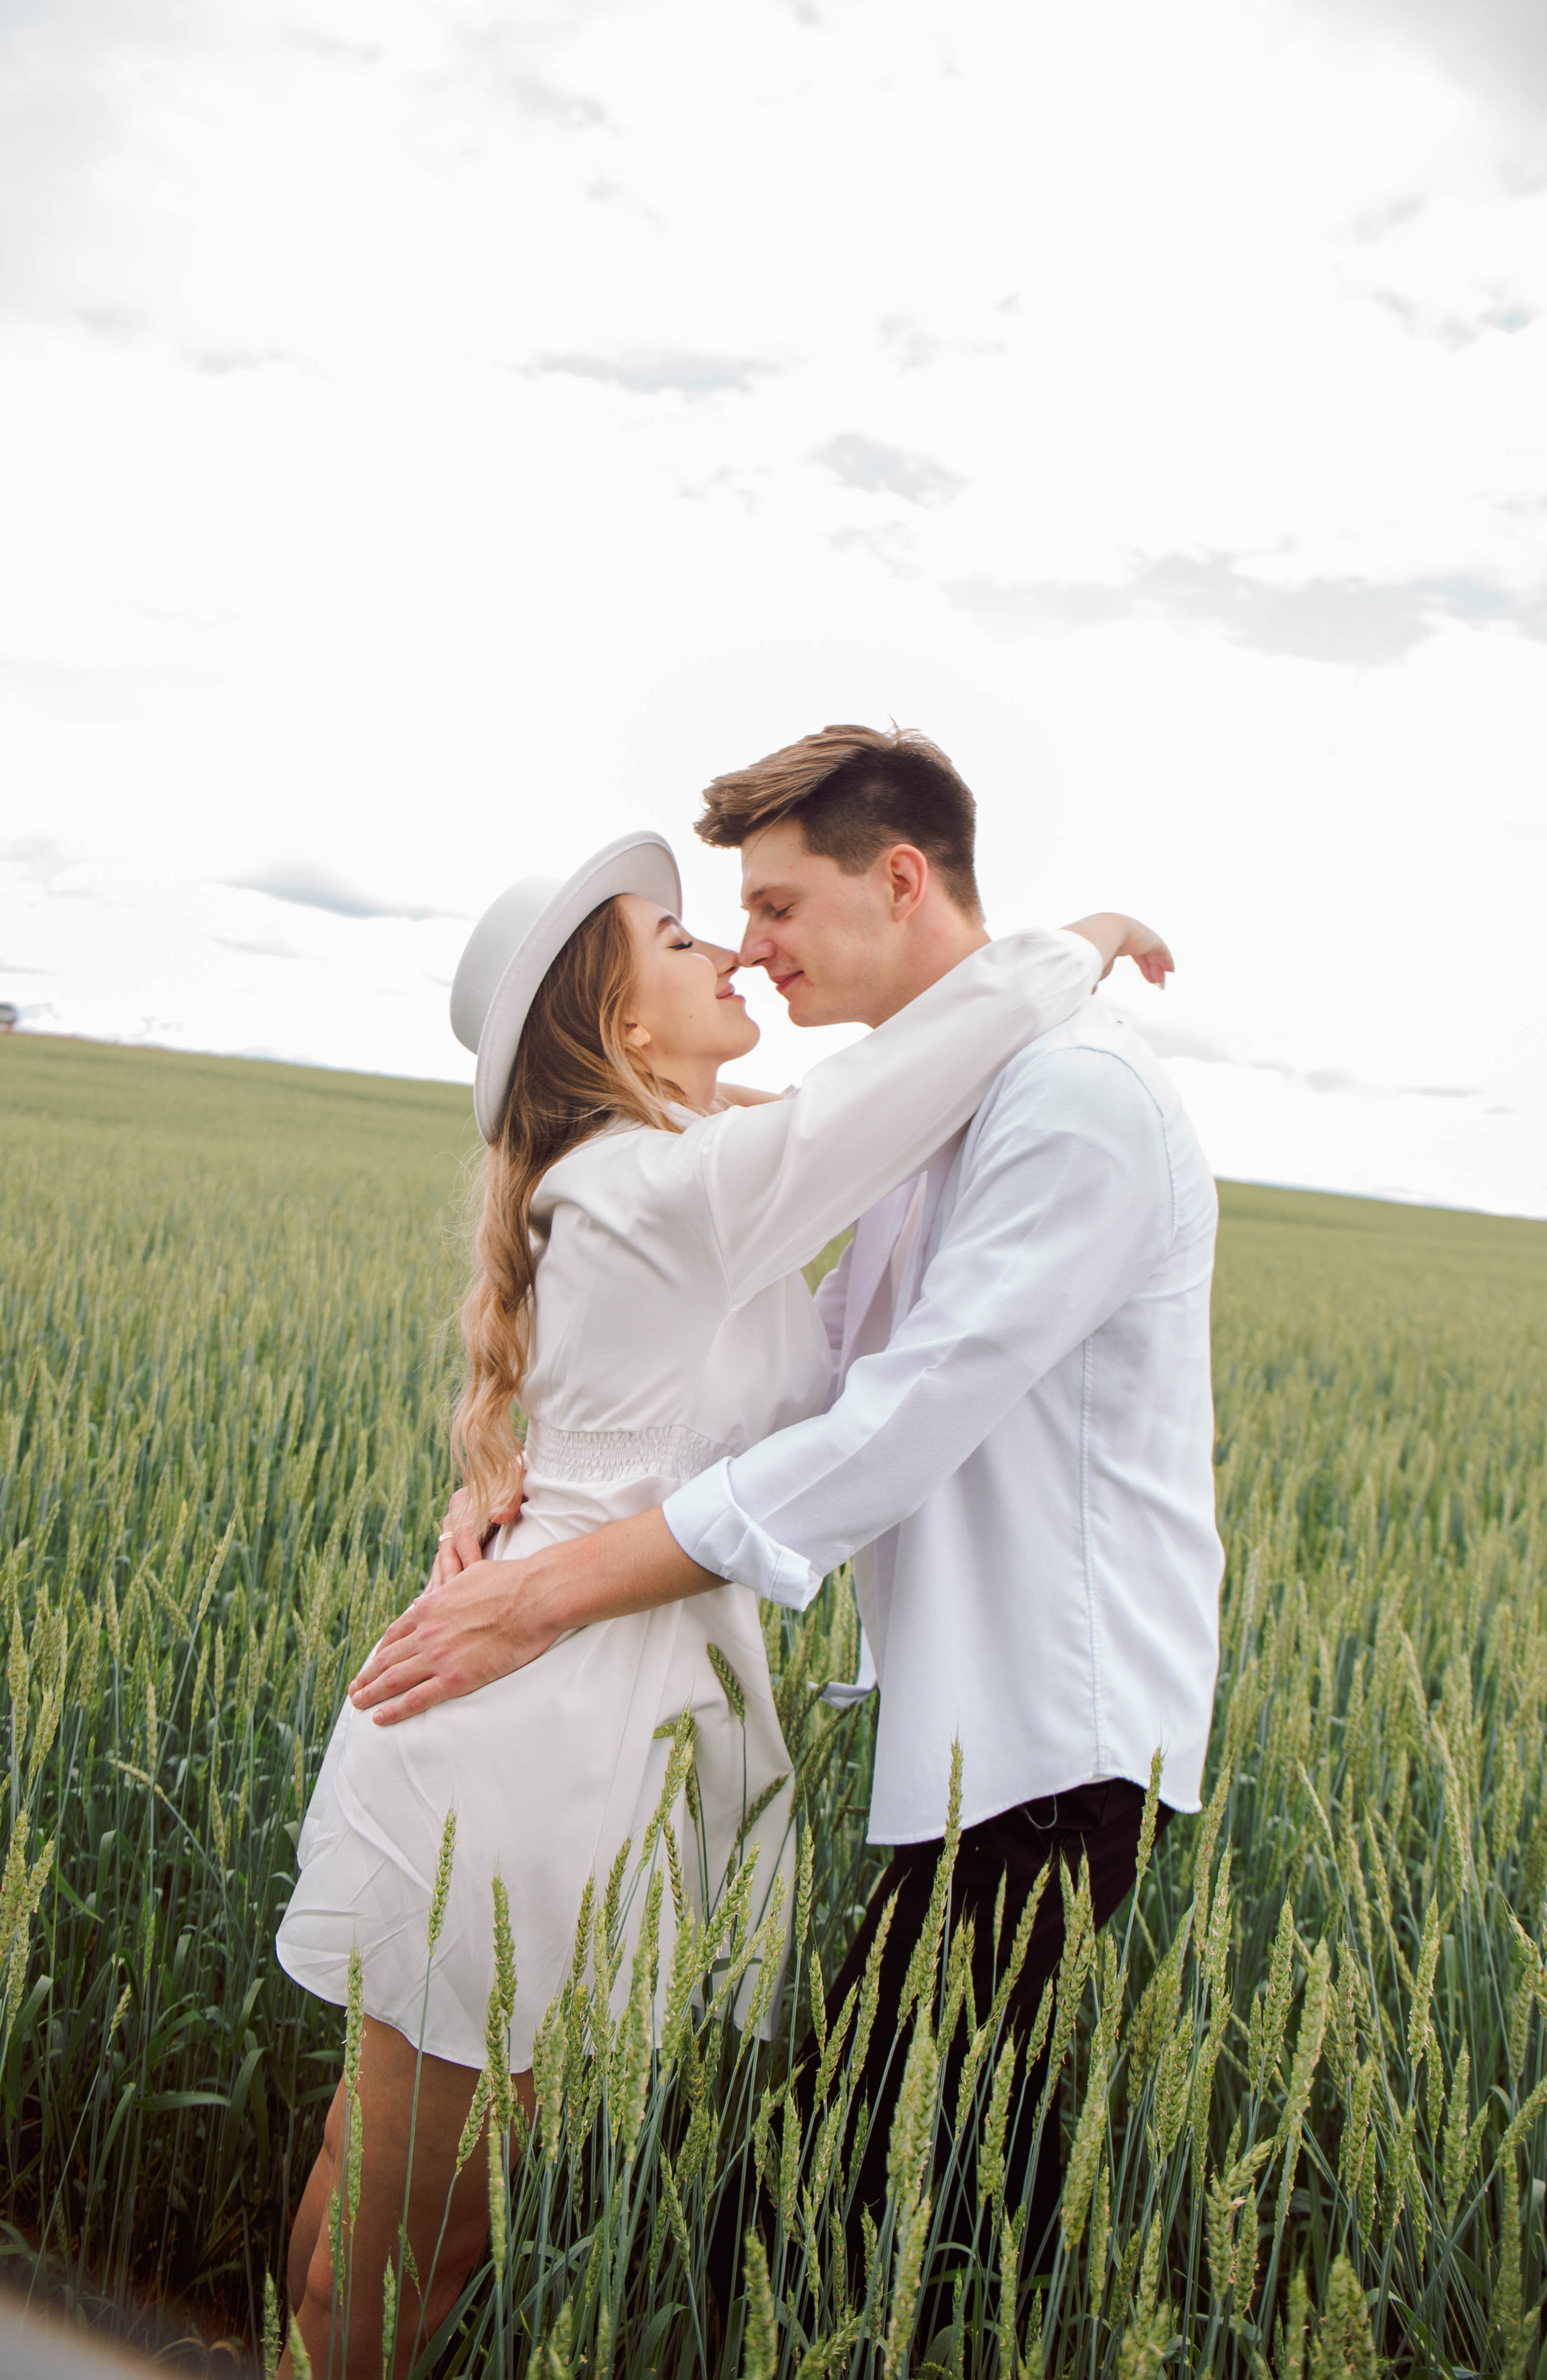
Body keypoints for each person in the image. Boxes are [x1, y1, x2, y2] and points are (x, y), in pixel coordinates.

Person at [277, 807, 1164, 2379]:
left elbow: (811, 1171)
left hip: (599, 1708)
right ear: (620, 1022)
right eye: (684, 942)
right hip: (535, 1721)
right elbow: (865, 1109)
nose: (730, 947)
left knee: (446, 2197)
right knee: (411, 2203)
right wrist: (1072, 945)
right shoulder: (647, 1188)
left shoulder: (663, 1167)